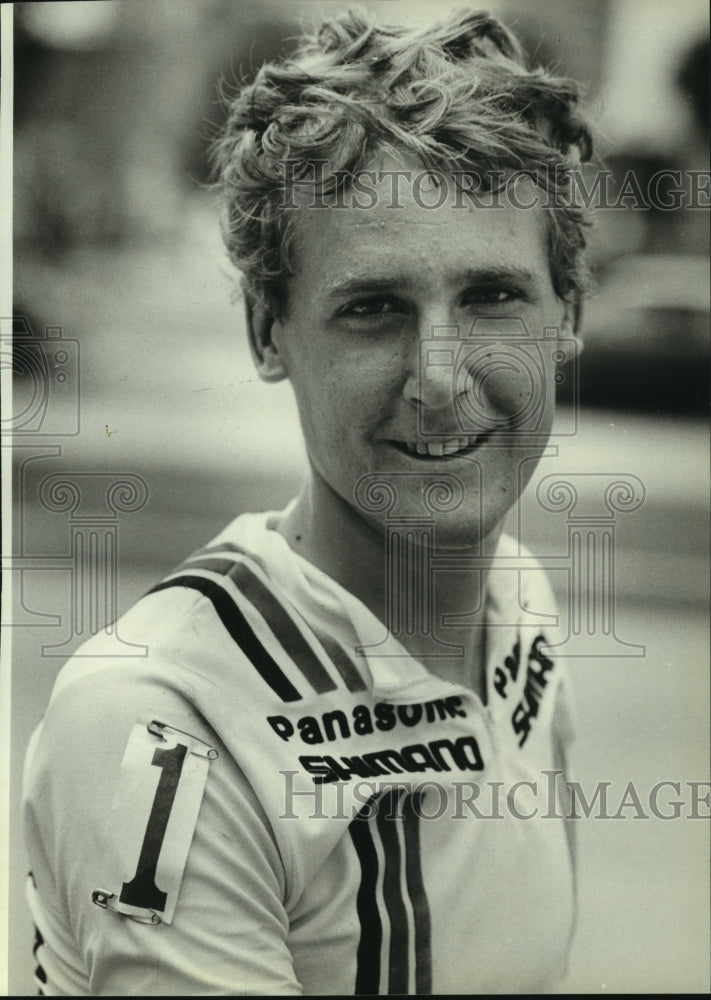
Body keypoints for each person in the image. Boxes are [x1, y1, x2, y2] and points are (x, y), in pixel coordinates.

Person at [22, 7, 593, 995]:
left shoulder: (522, 609)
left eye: (494, 295)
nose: (441, 375)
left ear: (569, 310)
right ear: (266, 331)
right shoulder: (164, 719)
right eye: (373, 308)